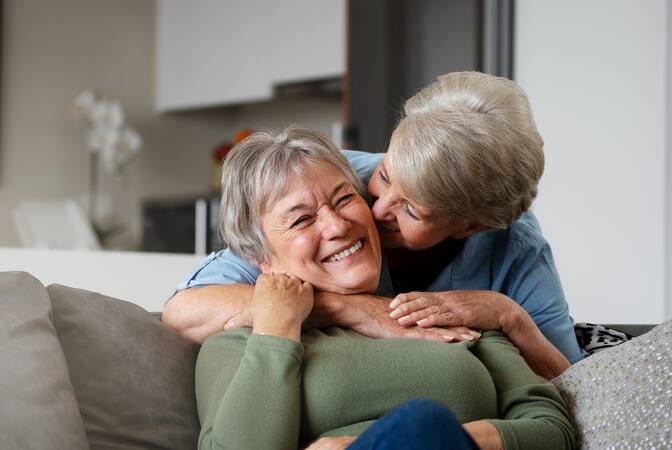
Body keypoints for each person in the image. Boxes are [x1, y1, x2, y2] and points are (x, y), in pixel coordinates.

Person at [164, 72, 585, 379]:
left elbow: (575, 384)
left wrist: (507, 315)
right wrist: (352, 309)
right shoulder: (331, 184)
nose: (378, 208)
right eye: (384, 176)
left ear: (468, 227)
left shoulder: (514, 244)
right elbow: (185, 311)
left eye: (412, 212)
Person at [195, 127, 575, 450]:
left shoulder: (447, 317)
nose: (337, 226)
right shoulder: (236, 344)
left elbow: (552, 429)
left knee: (422, 422)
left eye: (345, 199)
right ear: (263, 259)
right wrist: (275, 330)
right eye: (302, 219)